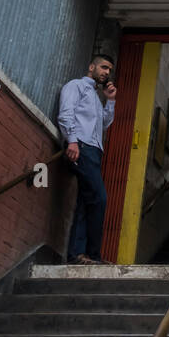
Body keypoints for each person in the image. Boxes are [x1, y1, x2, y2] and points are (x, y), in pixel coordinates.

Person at [57, 54, 116, 265]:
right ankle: (92, 254)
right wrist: (71, 141)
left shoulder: (96, 97)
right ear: (91, 67)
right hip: (81, 148)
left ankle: (77, 255)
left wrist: (110, 101)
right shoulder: (77, 86)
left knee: (86, 202)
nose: (106, 72)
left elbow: (104, 124)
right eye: (103, 67)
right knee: (100, 198)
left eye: (109, 69)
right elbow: (65, 114)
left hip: (94, 151)